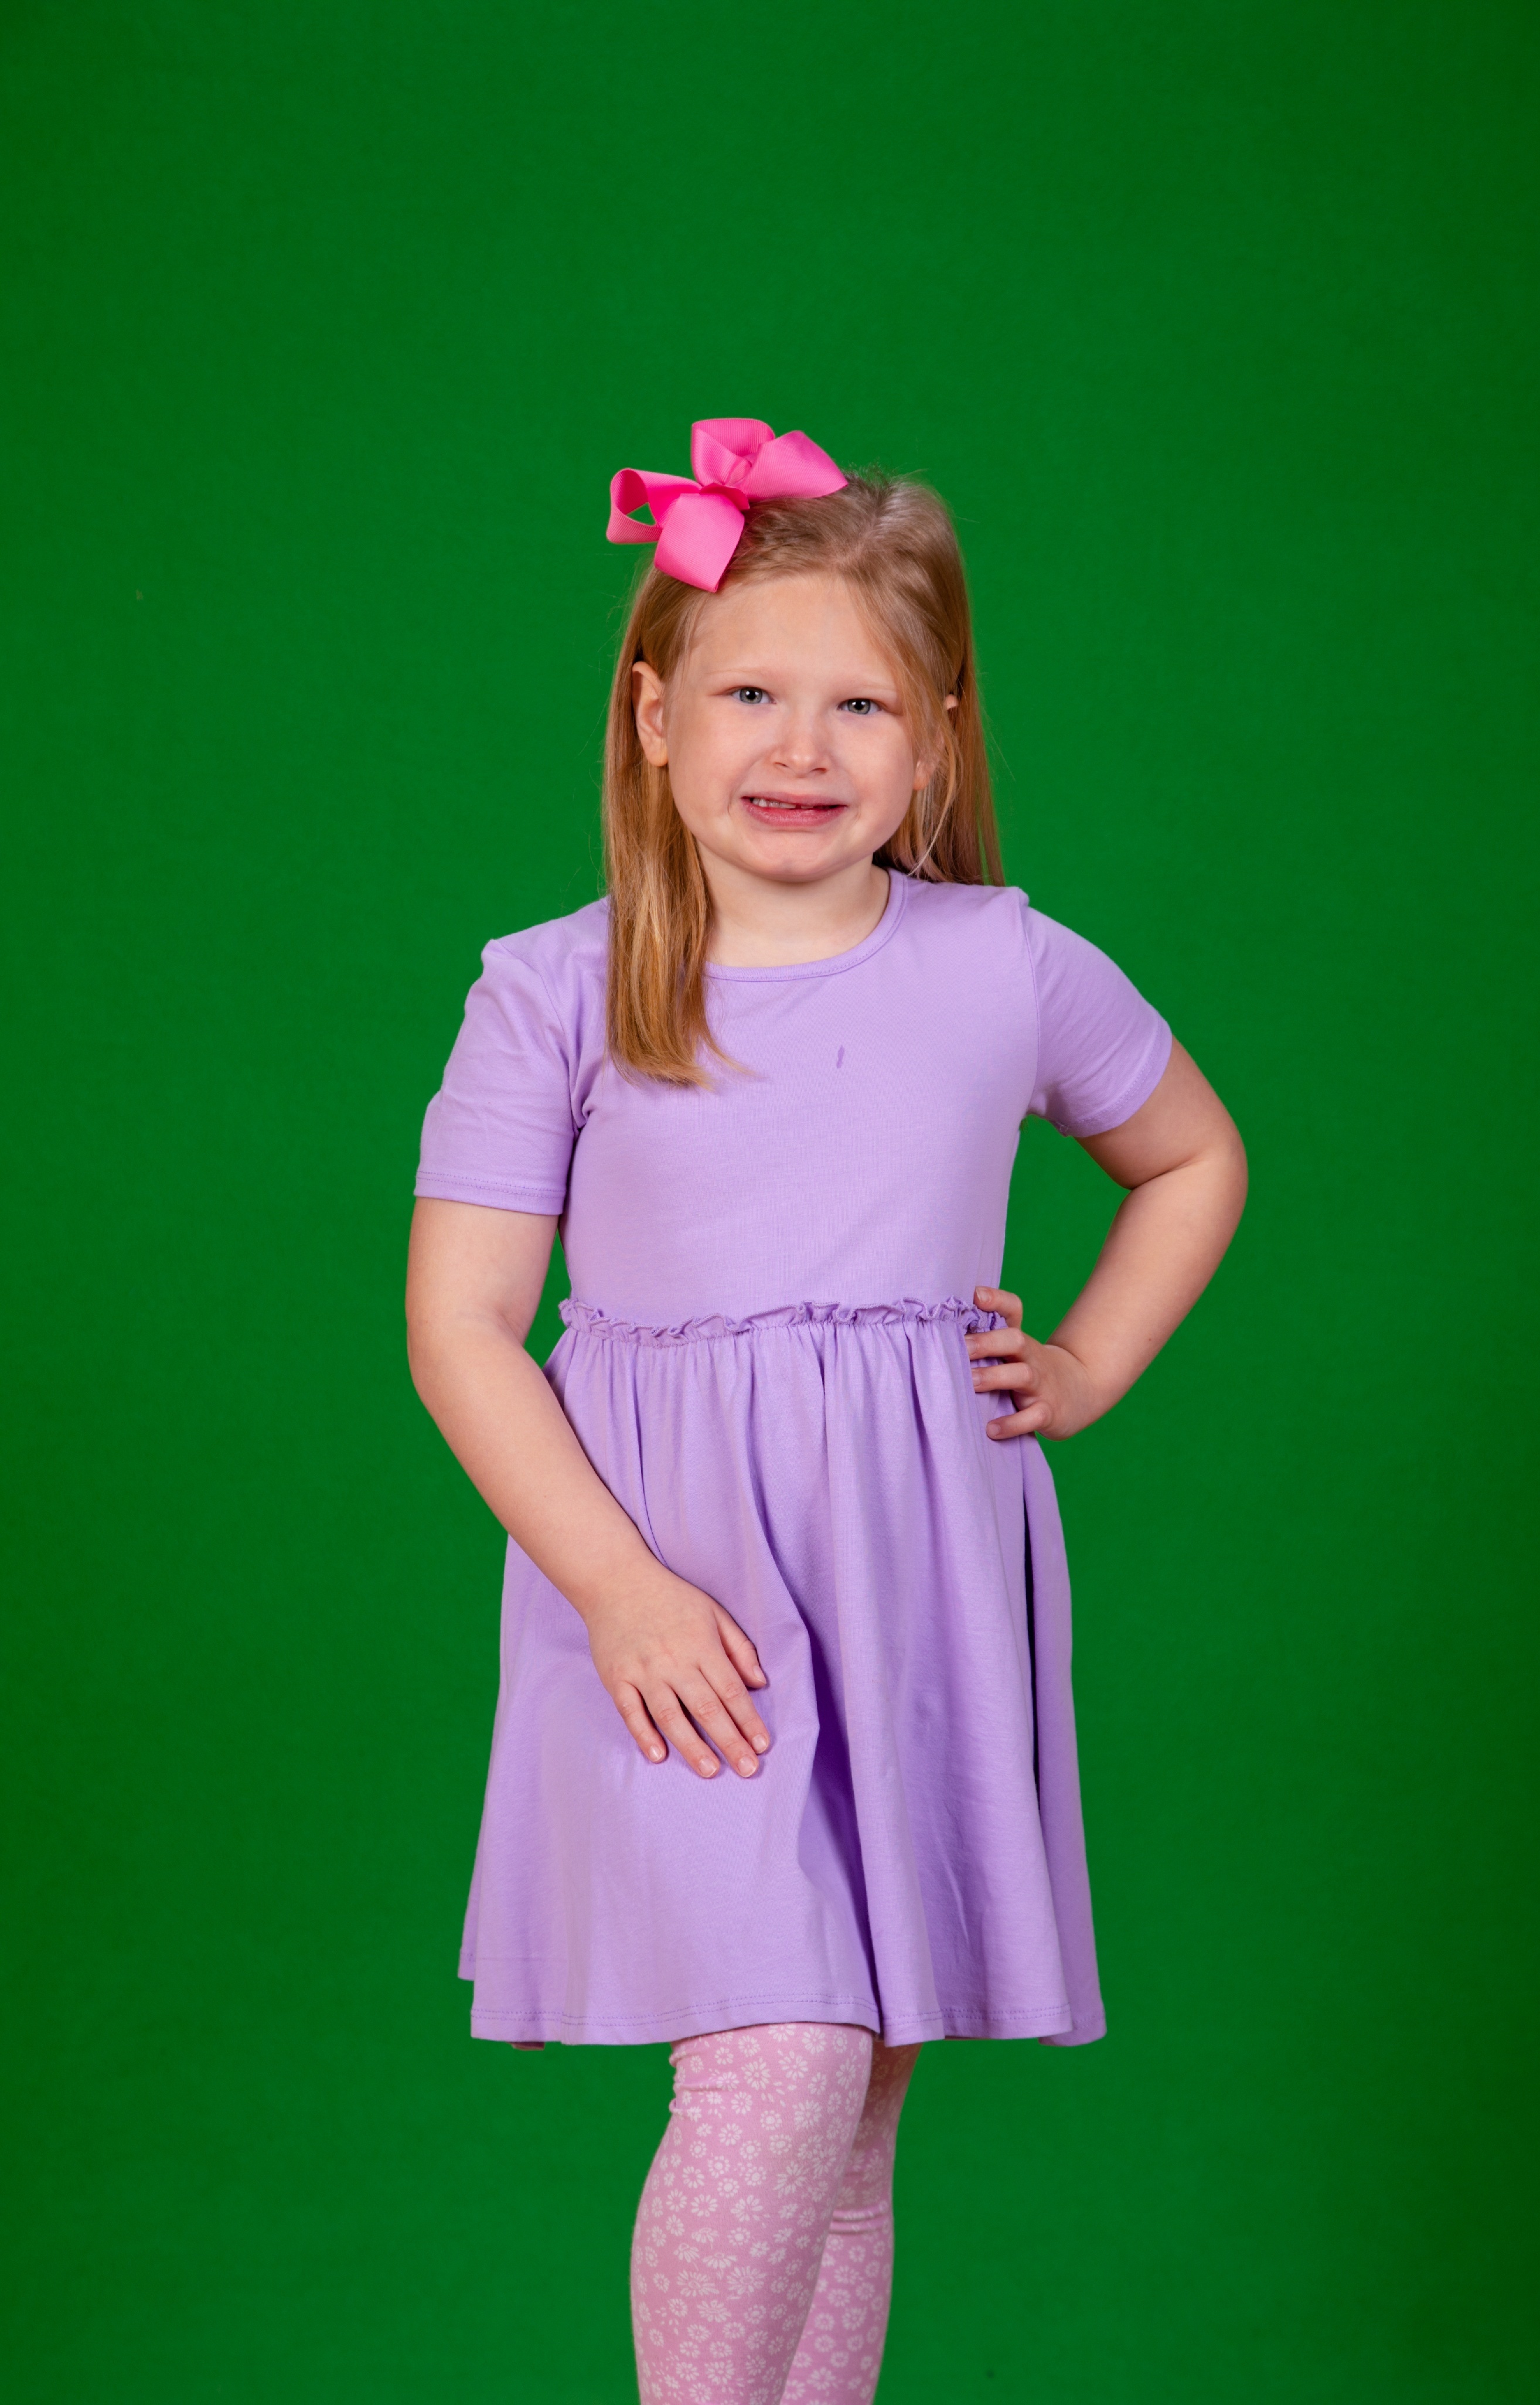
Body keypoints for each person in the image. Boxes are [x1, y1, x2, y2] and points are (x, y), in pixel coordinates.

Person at [406, 419, 1246, 2404]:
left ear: (938, 740)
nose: (804, 745)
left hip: (913, 1580)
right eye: (751, 695)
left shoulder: (1006, 964)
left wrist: (1090, 1362)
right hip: (677, 1600)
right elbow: (462, 1325)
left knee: (853, 2110)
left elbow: (1192, 1156)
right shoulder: (556, 990)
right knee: (773, 2066)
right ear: (652, 719)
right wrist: (618, 1590)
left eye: (862, 703)